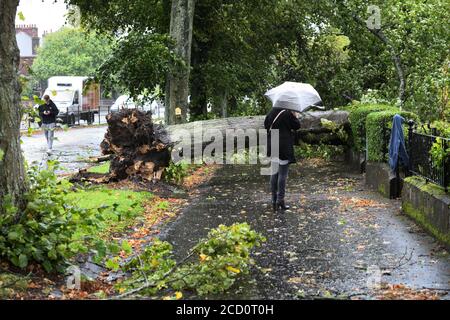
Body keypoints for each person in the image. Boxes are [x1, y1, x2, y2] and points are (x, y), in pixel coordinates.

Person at [264, 108, 301, 211]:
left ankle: (273, 199)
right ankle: (280, 200)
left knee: (274, 172)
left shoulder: (271, 111)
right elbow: (297, 126)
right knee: (283, 174)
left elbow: (266, 126)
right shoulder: (288, 113)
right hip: (284, 145)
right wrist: (295, 116)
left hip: (273, 143)